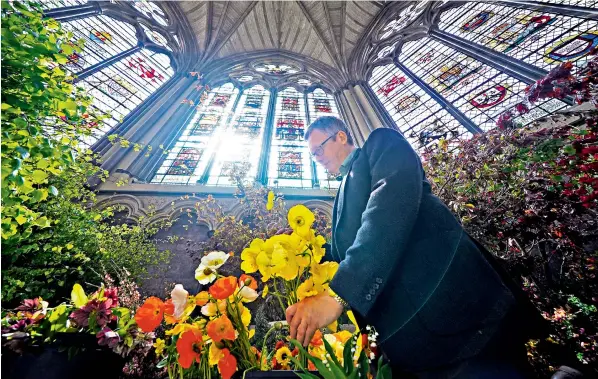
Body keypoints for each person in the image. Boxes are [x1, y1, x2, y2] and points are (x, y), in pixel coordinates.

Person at [285, 116, 540, 378]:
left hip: (456, 314)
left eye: (319, 148)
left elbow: (388, 208)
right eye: (312, 154)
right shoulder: (341, 193)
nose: (316, 157)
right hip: (409, 343)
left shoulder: (380, 143)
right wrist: (297, 250)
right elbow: (345, 251)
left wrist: (339, 295)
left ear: (340, 136)